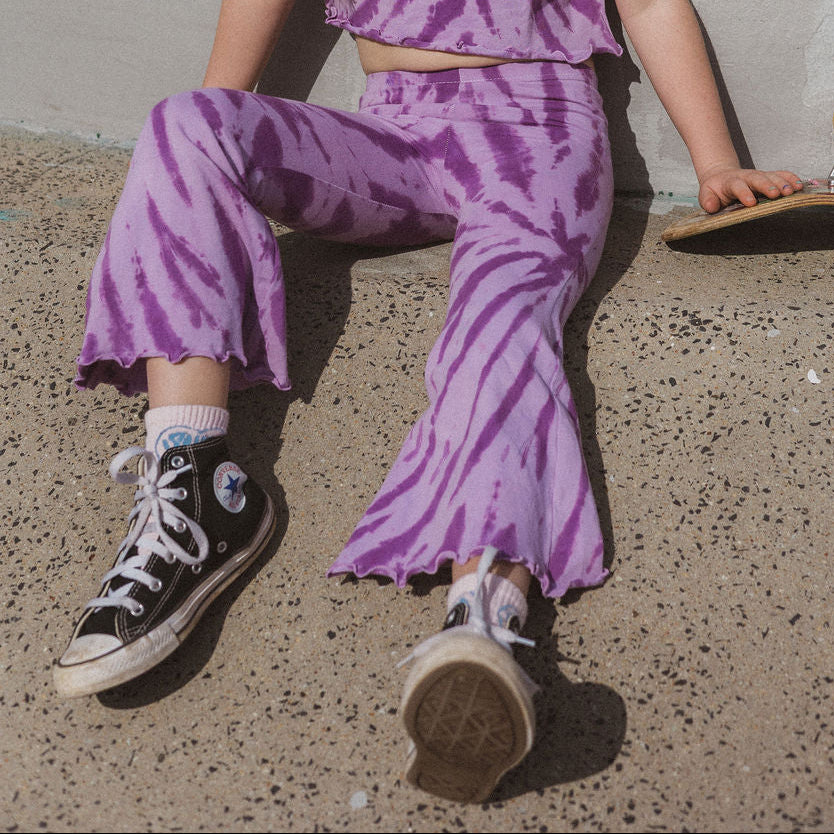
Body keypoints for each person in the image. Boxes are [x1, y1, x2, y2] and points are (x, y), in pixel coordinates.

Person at [54, 0, 803, 803]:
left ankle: (483, 619)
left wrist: (714, 160)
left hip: (538, 131)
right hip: (392, 134)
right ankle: (196, 487)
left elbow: (651, 1)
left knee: (503, 320)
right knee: (190, 125)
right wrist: (214, 159)